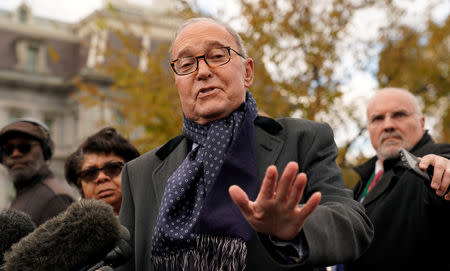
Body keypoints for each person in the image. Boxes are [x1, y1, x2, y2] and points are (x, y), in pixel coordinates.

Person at [118, 17, 373, 271]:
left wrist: (294, 230)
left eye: (217, 56)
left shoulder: (303, 140)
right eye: (186, 64)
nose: (202, 71)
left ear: (247, 72)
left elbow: (354, 225)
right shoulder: (138, 172)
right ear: (178, 83)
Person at [346, 88, 450, 270]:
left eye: (399, 115)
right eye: (377, 119)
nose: (388, 125)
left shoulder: (435, 159)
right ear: (369, 128)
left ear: (422, 122)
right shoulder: (361, 183)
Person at [0, 118, 75, 226]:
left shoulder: (55, 199)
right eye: (8, 150)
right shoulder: (22, 194)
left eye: (24, 147)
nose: (15, 154)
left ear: (45, 151)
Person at [65, 127, 140, 214]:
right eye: (90, 174)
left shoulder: (157, 219)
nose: (101, 177)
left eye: (113, 169)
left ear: (133, 172)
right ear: (80, 186)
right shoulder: (71, 227)